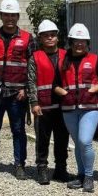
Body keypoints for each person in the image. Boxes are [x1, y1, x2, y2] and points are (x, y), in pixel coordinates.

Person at [53, 23, 98, 193]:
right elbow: (55, 85)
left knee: (85, 141)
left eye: (83, 40)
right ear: (71, 41)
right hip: (69, 108)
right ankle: (81, 175)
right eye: (76, 40)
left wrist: (92, 90)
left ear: (87, 42)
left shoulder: (95, 59)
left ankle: (89, 177)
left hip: (89, 106)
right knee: (77, 143)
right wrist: (63, 93)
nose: (79, 44)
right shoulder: (62, 61)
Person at [0, 0, 36, 179]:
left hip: (18, 94)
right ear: (0, 15)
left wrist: (26, 89)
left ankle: (19, 164)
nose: (10, 18)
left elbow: (32, 67)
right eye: (6, 15)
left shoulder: (27, 38)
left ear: (18, 16)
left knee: (18, 130)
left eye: (13, 15)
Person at [26, 19, 70, 185]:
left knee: (62, 139)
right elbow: (31, 81)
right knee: (42, 140)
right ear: (41, 39)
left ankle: (60, 169)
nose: (50, 38)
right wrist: (33, 103)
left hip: (62, 106)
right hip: (42, 107)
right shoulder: (34, 58)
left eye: (53, 35)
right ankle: (42, 169)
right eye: (46, 36)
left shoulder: (66, 55)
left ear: (57, 37)